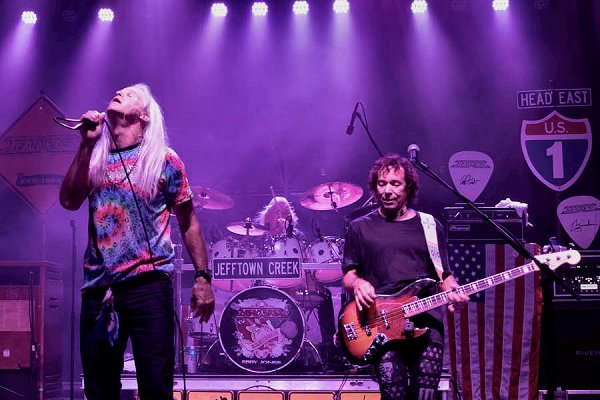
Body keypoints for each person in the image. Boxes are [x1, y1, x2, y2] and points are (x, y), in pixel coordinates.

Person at [59, 83, 215, 400]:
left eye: (128, 94)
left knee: (156, 387)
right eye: (117, 91)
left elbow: (189, 222)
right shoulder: (94, 157)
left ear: (143, 115)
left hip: (149, 285)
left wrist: (202, 277)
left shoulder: (164, 160)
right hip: (100, 290)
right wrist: (85, 146)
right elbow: (68, 200)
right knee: (100, 389)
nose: (117, 93)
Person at [341, 154, 469, 400]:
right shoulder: (359, 227)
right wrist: (358, 283)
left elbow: (445, 276)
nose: (387, 190)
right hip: (382, 326)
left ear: (408, 187)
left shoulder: (430, 226)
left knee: (425, 395)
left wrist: (454, 293)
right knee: (394, 396)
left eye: (395, 184)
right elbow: (348, 275)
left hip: (427, 323)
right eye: (382, 184)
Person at [255, 196, 340, 368]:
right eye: (276, 212)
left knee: (325, 294)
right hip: (269, 285)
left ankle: (329, 348)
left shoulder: (297, 237)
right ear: (267, 217)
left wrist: (309, 278)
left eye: (285, 213)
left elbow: (307, 263)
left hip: (296, 285)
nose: (280, 216)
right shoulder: (260, 238)